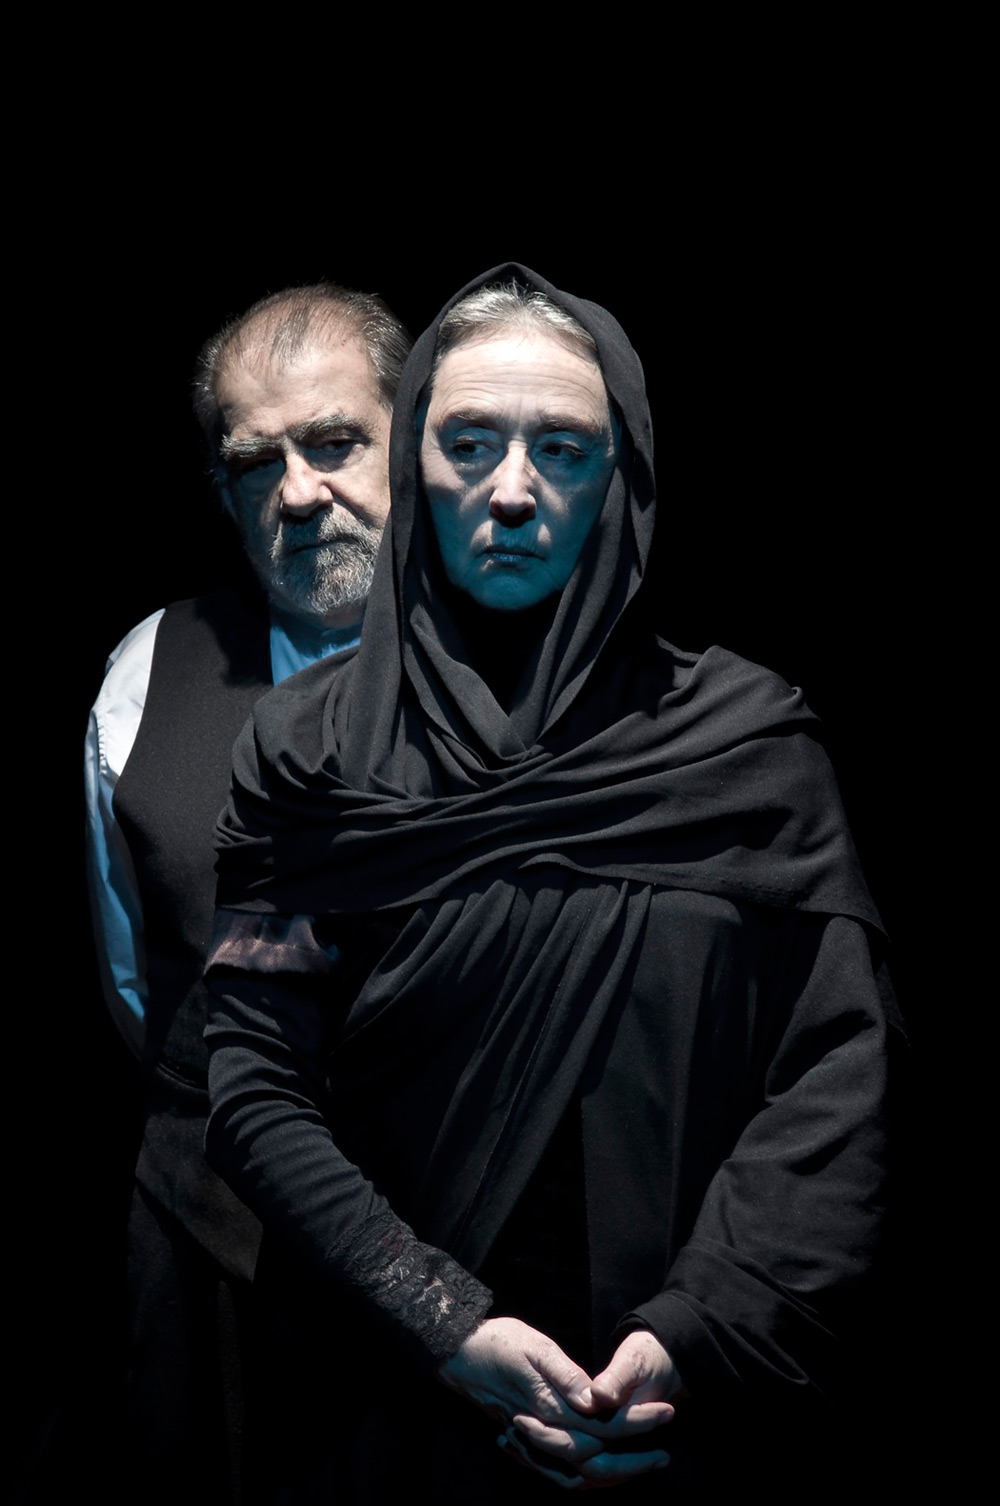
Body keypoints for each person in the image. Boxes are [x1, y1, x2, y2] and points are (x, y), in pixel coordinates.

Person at [204, 265, 900, 1499]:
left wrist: (699, 1328)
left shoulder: (746, 748)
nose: (513, 490)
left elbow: (838, 1073)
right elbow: (255, 1084)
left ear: (622, 482)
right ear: (416, 461)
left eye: (563, 450)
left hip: (696, 1412)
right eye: (468, 443)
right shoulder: (309, 758)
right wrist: (436, 1318)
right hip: (391, 1407)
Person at [84, 281, 411, 1501]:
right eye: (254, 462)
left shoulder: (528, 669)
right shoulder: (147, 669)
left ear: (413, 442)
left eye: (333, 442)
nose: (297, 490)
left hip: (465, 1251)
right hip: (209, 1253)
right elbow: (137, 979)